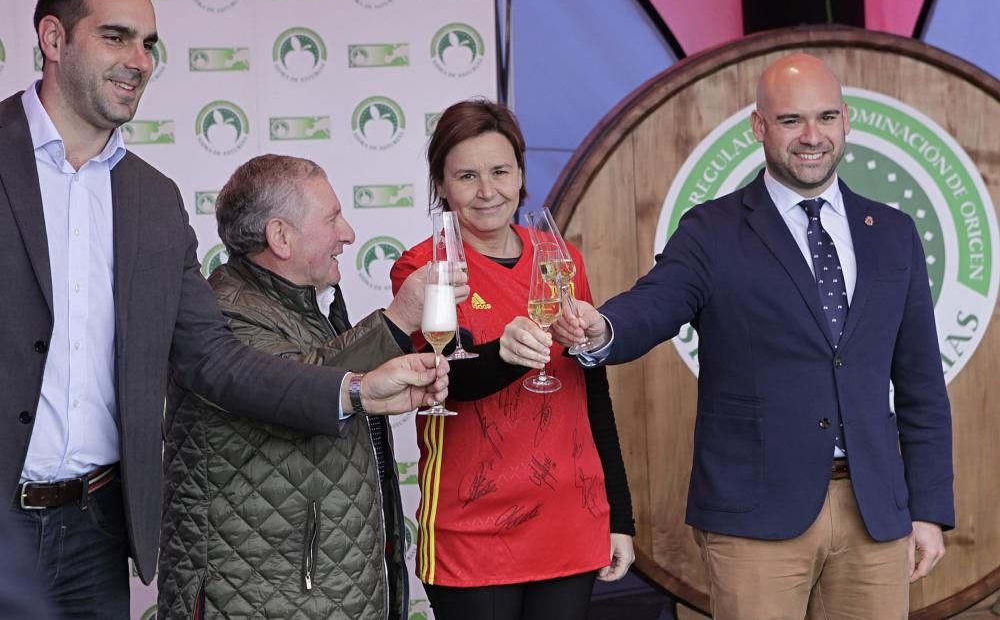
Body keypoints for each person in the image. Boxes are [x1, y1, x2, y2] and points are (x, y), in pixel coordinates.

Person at [0, 0, 447, 618]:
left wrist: (351, 389)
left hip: (96, 530)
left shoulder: (152, 199)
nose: (138, 61)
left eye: (148, 44)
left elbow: (215, 359)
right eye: (116, 37)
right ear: (53, 37)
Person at [546, 53, 953, 618]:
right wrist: (603, 328)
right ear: (759, 127)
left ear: (846, 121)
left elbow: (922, 387)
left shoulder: (892, 232)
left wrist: (928, 509)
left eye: (826, 118)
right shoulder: (711, 231)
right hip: (756, 517)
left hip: (876, 516)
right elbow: (656, 302)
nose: (812, 137)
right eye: (791, 121)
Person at [157, 155, 467, 619]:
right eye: (332, 218)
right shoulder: (223, 311)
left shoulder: (313, 300)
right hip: (262, 597)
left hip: (320, 591)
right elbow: (303, 383)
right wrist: (398, 319)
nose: (348, 233)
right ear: (280, 237)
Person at [389, 99, 635, 620]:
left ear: (521, 173)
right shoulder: (424, 266)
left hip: (571, 518)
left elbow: (591, 389)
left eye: (500, 171)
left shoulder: (558, 257)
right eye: (466, 176)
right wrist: (504, 355)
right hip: (474, 529)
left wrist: (620, 515)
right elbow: (440, 380)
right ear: (441, 184)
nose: (487, 191)